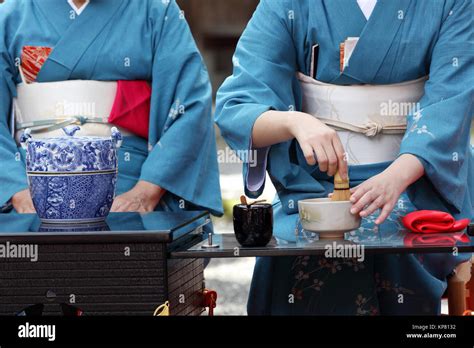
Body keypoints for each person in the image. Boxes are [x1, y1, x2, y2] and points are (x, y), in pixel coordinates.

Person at [216, 0, 473, 315]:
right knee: (293, 249)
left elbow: (451, 100)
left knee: (393, 242)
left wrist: (398, 176)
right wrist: (295, 122)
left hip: (415, 180)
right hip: (313, 186)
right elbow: (237, 106)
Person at [0, 0, 223, 216]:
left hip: (131, 185)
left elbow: (189, 105)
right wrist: (17, 191)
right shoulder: (10, 16)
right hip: (32, 187)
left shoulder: (156, 10)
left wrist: (146, 192)